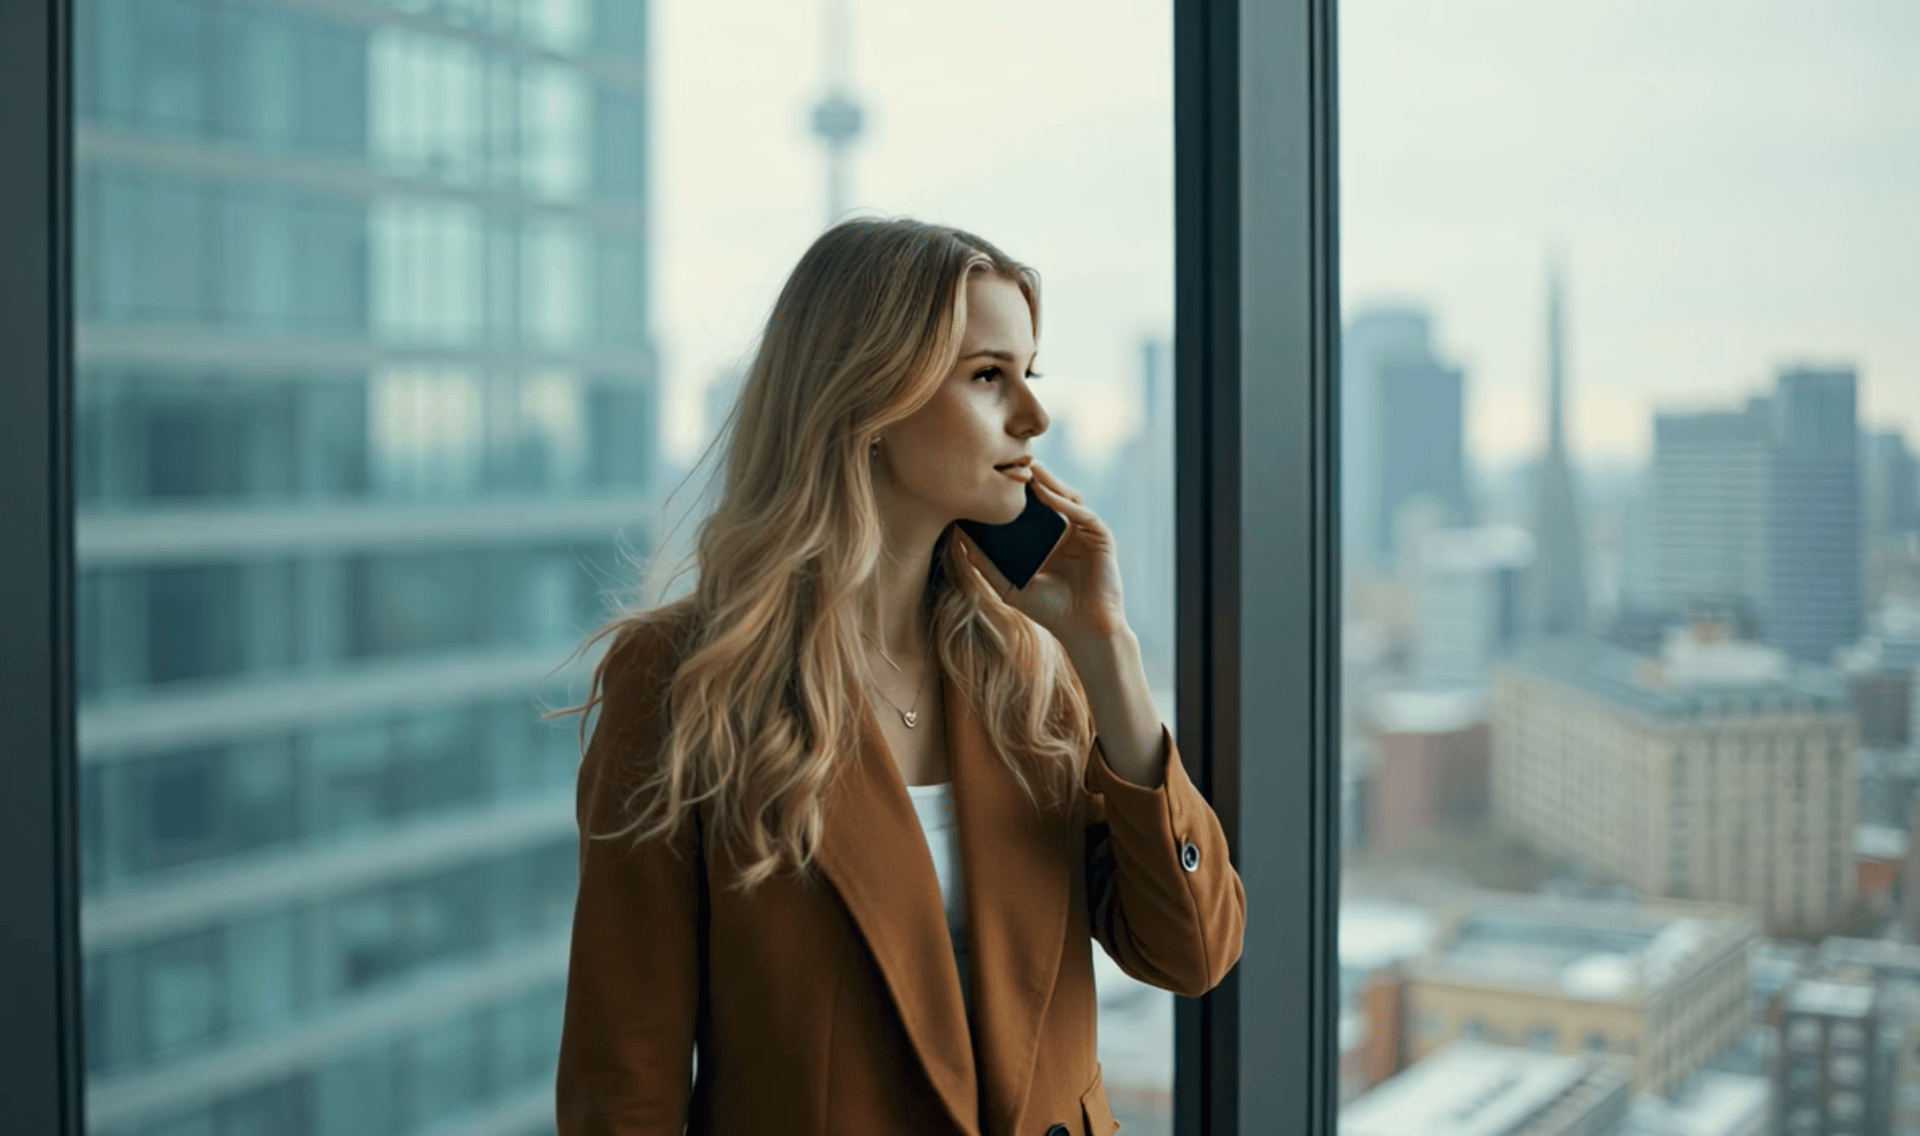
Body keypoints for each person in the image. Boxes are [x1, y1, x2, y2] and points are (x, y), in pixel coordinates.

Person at [553, 217, 1244, 1136]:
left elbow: (1191, 952)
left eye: (1027, 374)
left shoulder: (1031, 670)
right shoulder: (683, 679)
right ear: (871, 397)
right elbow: (622, 1085)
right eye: (988, 376)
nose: (1035, 418)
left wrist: (1108, 652)